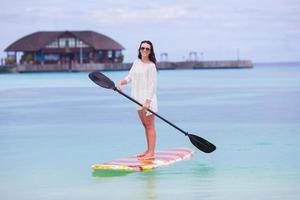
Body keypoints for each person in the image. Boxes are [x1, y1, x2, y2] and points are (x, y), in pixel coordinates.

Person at [117, 40, 158, 159]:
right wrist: (122, 83)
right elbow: (130, 76)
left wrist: (148, 101)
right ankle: (148, 150)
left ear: (150, 51)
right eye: (142, 48)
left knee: (150, 126)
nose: (144, 50)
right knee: (145, 125)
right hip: (137, 99)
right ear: (139, 49)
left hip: (147, 101)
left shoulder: (151, 66)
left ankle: (151, 153)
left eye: (147, 49)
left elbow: (152, 85)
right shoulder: (136, 62)